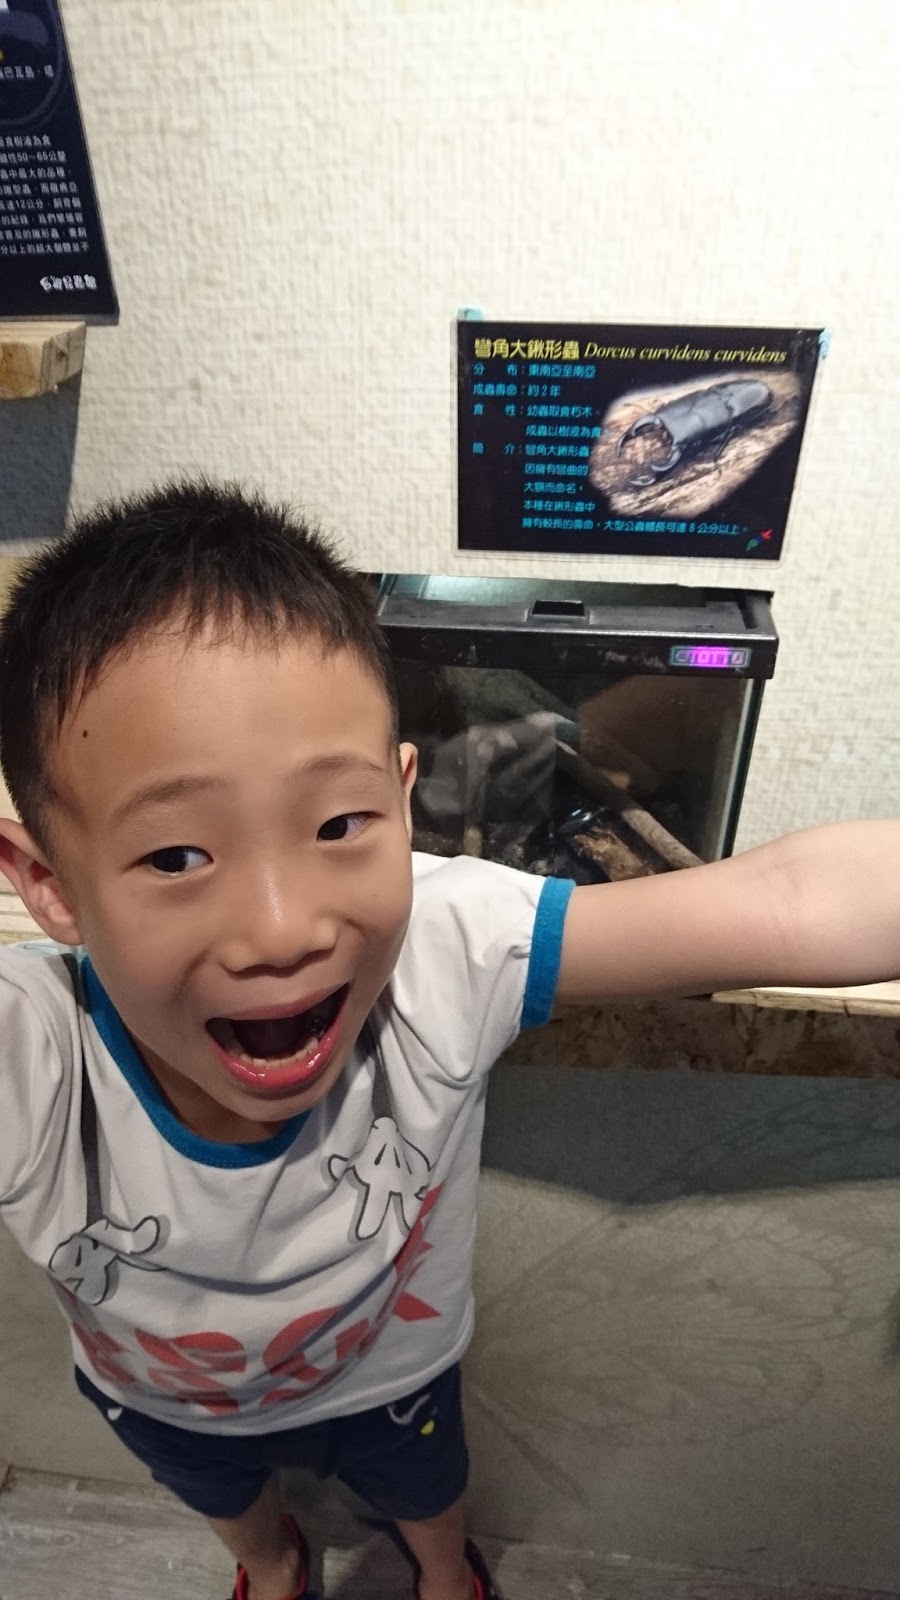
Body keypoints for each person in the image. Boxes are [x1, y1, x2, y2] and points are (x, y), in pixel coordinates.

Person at [0, 482, 896, 1600]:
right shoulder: (35, 1052)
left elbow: (787, 899)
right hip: (160, 1400)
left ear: (402, 798)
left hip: (393, 1373)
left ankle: (440, 1571)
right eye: (177, 856)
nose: (284, 930)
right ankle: (274, 1569)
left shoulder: (448, 944)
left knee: (430, 1497)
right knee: (231, 1508)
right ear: (50, 884)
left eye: (340, 824)